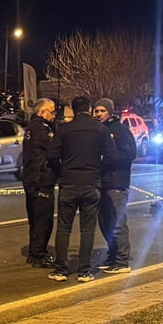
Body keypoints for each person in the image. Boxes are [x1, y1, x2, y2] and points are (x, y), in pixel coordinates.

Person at [47, 96, 117, 283]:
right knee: (87, 229)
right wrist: (98, 171)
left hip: (68, 182)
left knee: (63, 228)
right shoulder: (101, 130)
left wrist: (62, 170)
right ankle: (84, 271)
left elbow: (52, 155)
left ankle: (61, 269)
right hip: (91, 183)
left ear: (73, 109)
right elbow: (111, 156)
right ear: (89, 108)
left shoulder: (64, 130)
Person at [92, 97, 136, 273]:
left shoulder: (120, 130)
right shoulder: (98, 130)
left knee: (117, 222)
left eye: (102, 111)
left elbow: (131, 153)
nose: (99, 114)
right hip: (101, 182)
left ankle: (122, 260)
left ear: (110, 112)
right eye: (96, 111)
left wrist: (108, 160)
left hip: (116, 181)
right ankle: (112, 254)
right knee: (105, 222)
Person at [20, 98, 57, 267]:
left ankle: (35, 251)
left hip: (32, 178)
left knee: (36, 218)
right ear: (42, 112)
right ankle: (38, 255)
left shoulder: (32, 128)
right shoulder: (42, 130)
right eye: (52, 111)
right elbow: (54, 149)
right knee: (43, 219)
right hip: (40, 179)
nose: (54, 115)